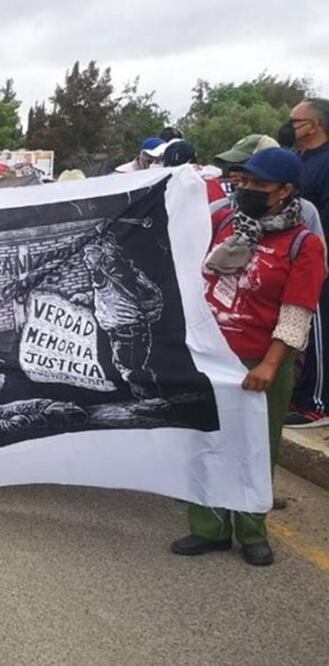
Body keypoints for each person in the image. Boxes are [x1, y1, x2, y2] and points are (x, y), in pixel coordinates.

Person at [172, 148, 325, 566]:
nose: (247, 190)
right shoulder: (224, 223)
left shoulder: (302, 243)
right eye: (244, 182)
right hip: (209, 355)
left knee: (255, 447)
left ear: (285, 191)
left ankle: (252, 530)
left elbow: (298, 311)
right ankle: (208, 528)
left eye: (259, 185)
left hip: (259, 359)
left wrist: (271, 365)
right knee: (205, 442)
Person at [279, 99, 329, 428]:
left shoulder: (325, 163)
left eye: (294, 120)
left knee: (322, 331)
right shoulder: (300, 160)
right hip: (297, 258)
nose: (288, 126)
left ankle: (318, 403)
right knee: (305, 333)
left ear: (313, 125)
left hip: (319, 259)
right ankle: (302, 392)